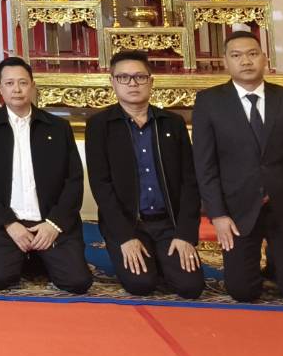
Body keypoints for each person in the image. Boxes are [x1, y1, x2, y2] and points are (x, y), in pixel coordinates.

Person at [193, 32, 283, 306]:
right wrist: (218, 215)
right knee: (242, 291)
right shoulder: (209, 102)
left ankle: (279, 263)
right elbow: (205, 166)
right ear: (225, 62)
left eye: (252, 53)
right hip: (238, 210)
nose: (246, 61)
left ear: (265, 58)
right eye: (236, 55)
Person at [85, 51, 205, 300]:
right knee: (141, 284)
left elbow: (189, 182)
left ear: (151, 81)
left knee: (190, 287)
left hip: (168, 223)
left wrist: (185, 234)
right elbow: (101, 186)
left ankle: (163, 255)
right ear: (113, 82)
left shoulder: (172, 123)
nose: (132, 83)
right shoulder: (99, 126)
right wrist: (125, 237)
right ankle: (150, 256)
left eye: (139, 77)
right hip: (130, 224)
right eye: (124, 77)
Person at [0, 57, 91, 294]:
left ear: (33, 86)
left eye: (23, 83)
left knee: (77, 283)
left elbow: (74, 179)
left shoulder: (57, 128)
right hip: (9, 222)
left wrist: (53, 224)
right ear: (0, 89)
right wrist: (9, 223)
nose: (16, 89)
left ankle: (37, 255)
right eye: (9, 83)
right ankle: (28, 256)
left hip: (49, 221)